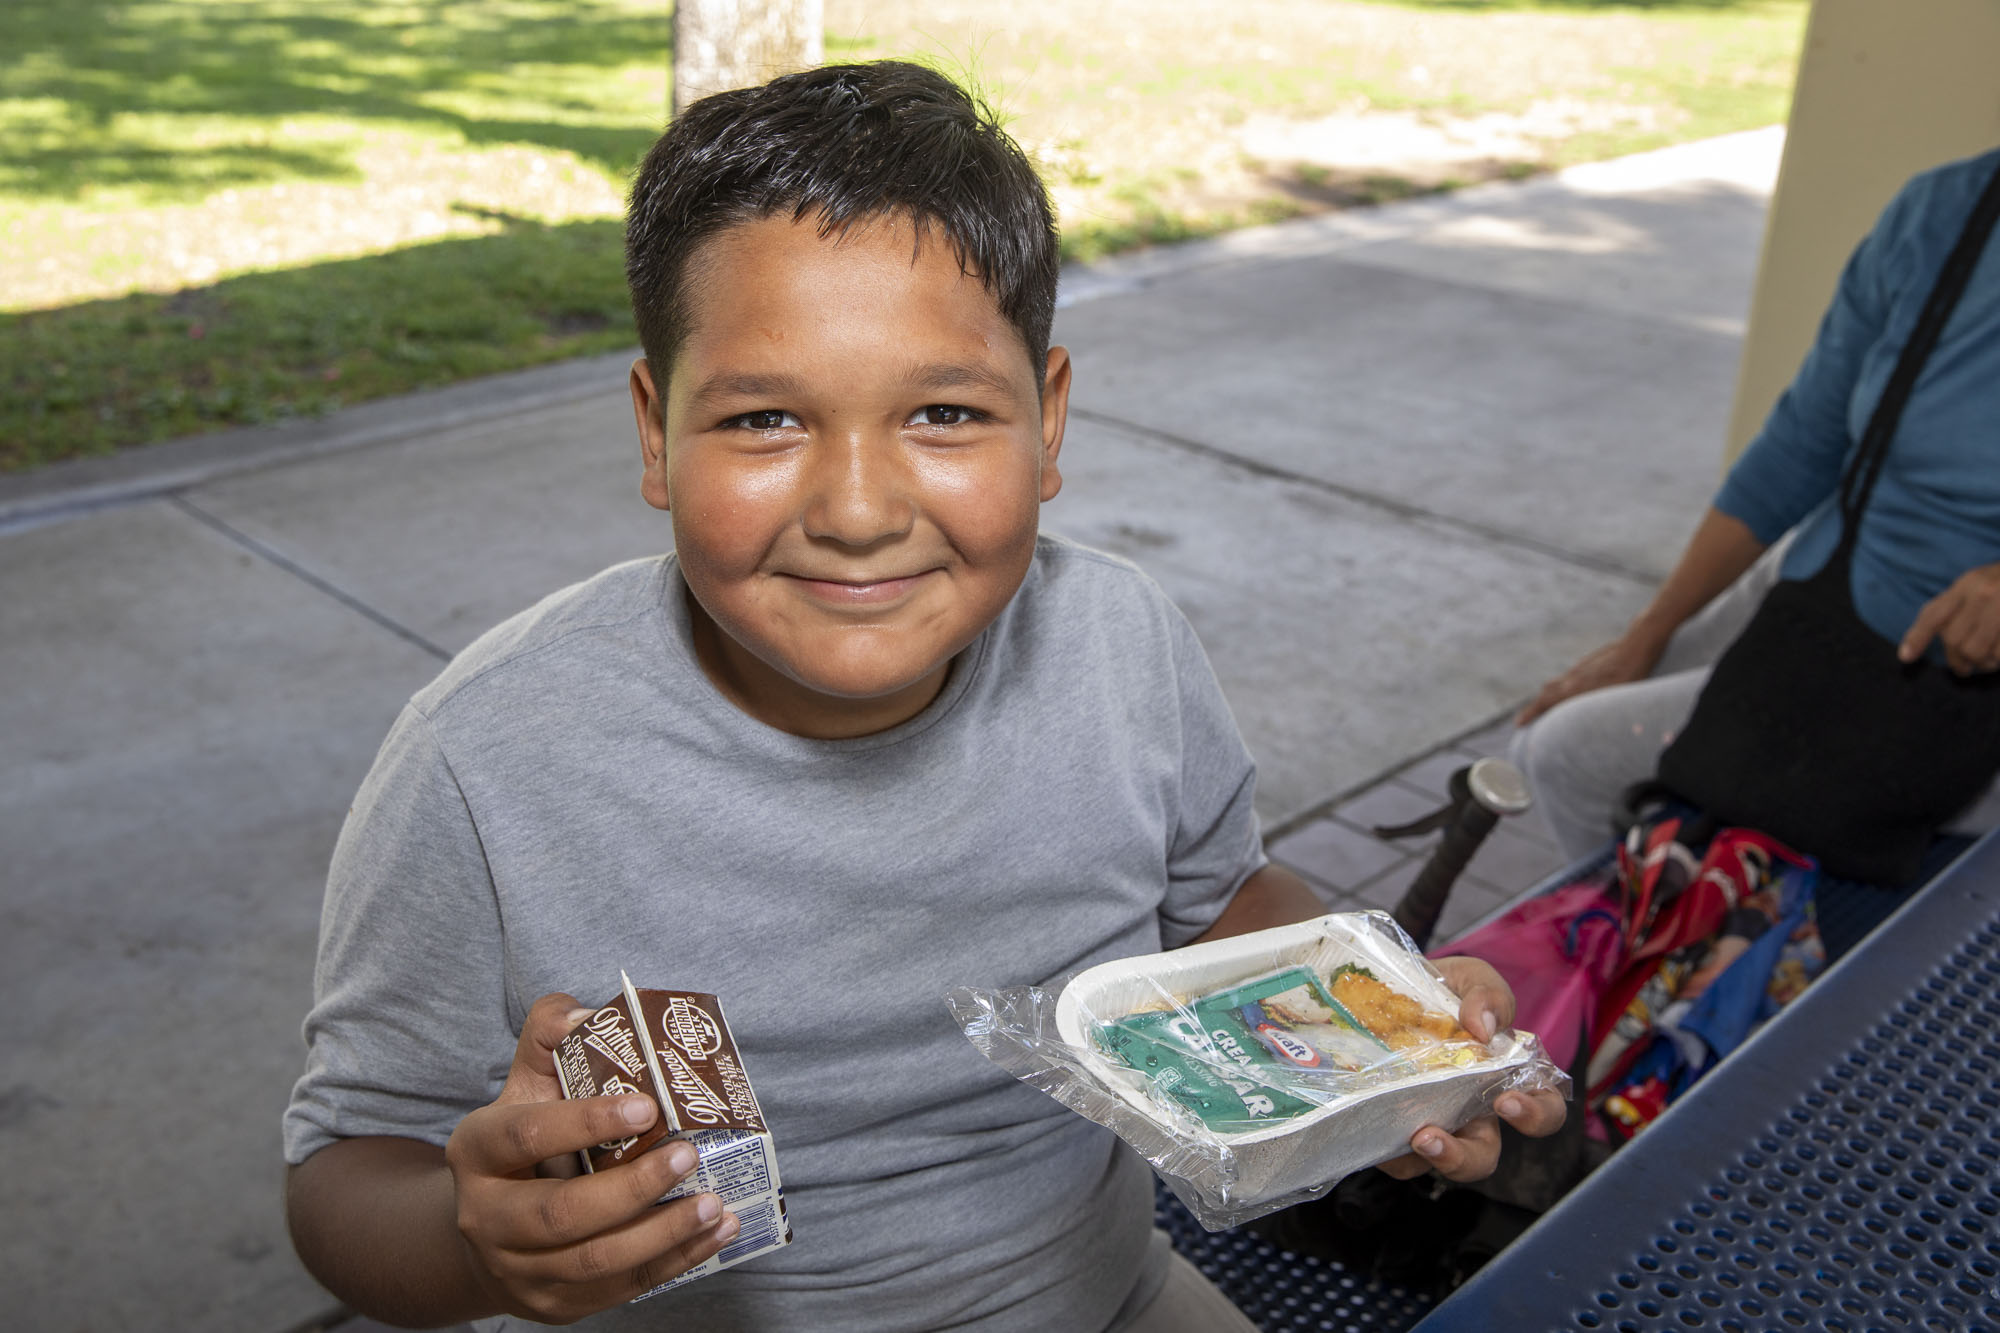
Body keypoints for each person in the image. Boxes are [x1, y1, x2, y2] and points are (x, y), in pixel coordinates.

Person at [281, 61, 1564, 1332]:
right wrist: (481, 1244)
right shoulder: (484, 761)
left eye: (944, 413)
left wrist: (1380, 1036)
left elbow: (1225, 906)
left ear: (1047, 424)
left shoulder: (1120, 647)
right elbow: (346, 1172)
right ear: (652, 432)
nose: (855, 512)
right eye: (764, 420)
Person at [1512, 146, 2000, 862]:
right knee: (1551, 728)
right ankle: (1664, 937)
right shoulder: (1947, 209)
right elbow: (1801, 444)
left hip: (1943, 678)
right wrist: (1647, 633)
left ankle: (1677, 945)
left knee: (1570, 754)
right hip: (1824, 579)